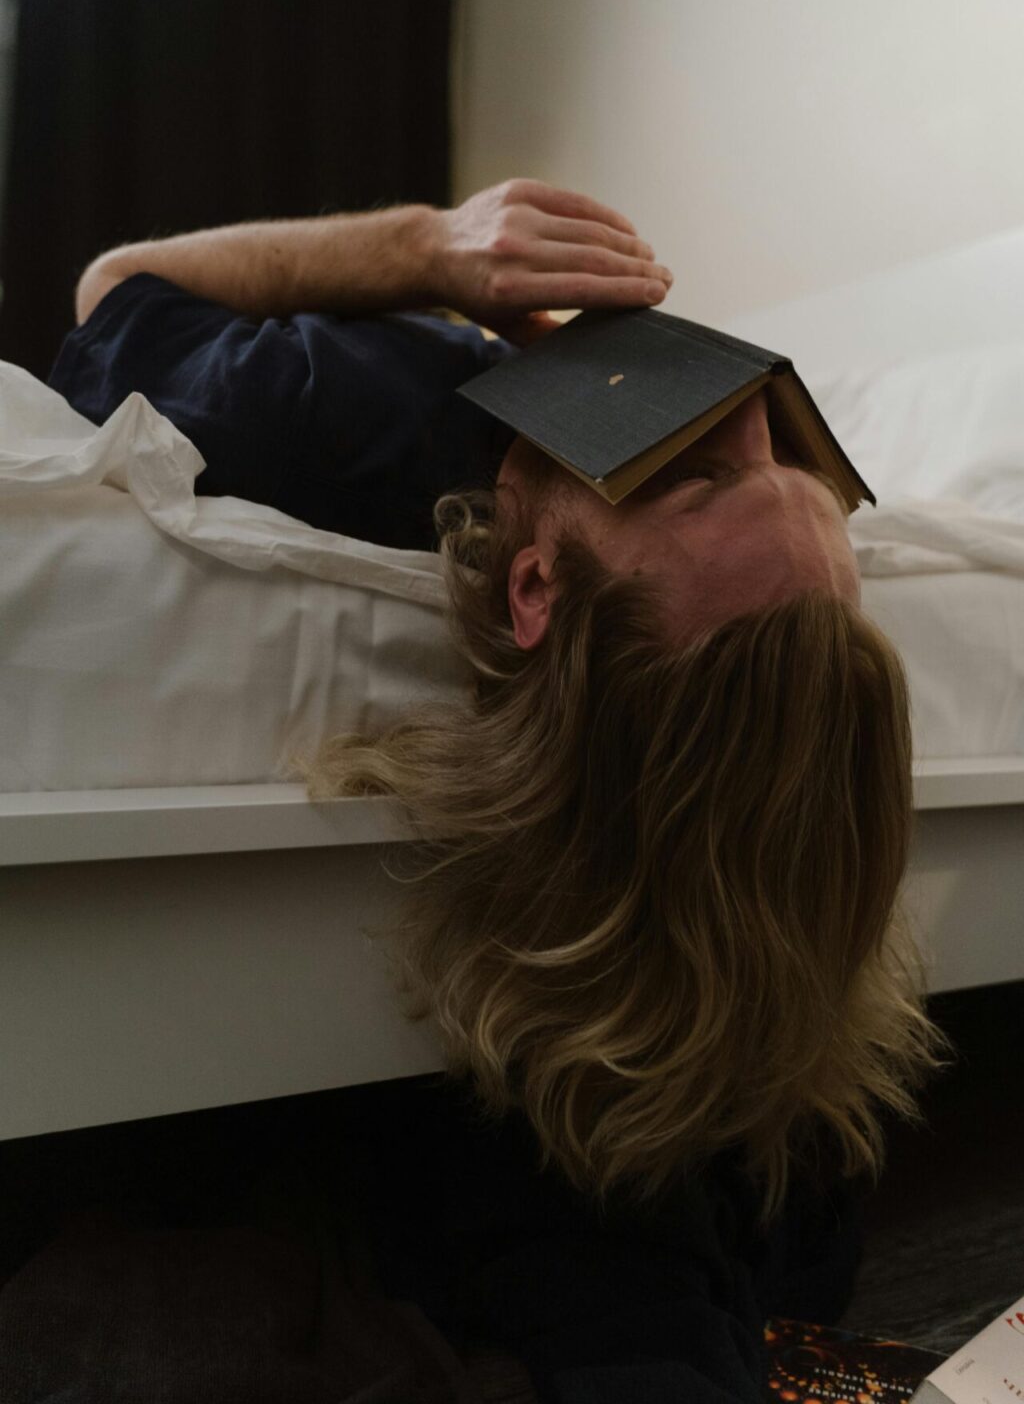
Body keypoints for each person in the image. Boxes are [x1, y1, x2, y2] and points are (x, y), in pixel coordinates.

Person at [45, 178, 953, 1403]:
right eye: (779, 451)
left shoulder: (331, 416)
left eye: (693, 475)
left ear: (537, 591)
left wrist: (421, 246)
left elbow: (113, 282)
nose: (743, 413)